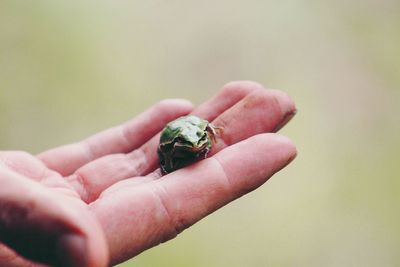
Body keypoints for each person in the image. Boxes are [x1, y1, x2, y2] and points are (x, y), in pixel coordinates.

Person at [0, 81, 297, 267]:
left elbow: (204, 131)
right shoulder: (174, 143)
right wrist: (171, 162)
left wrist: (204, 138)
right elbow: (166, 149)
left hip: (189, 130)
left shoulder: (200, 135)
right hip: (174, 142)